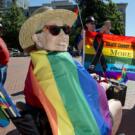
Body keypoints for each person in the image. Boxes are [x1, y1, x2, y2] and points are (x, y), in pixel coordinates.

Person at [18, 7, 122, 135]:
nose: (64, 35)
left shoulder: (37, 60)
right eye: (54, 30)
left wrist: (85, 77)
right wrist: (102, 86)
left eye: (66, 29)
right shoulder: (61, 60)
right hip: (76, 130)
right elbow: (93, 93)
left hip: (47, 124)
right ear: (37, 38)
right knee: (116, 104)